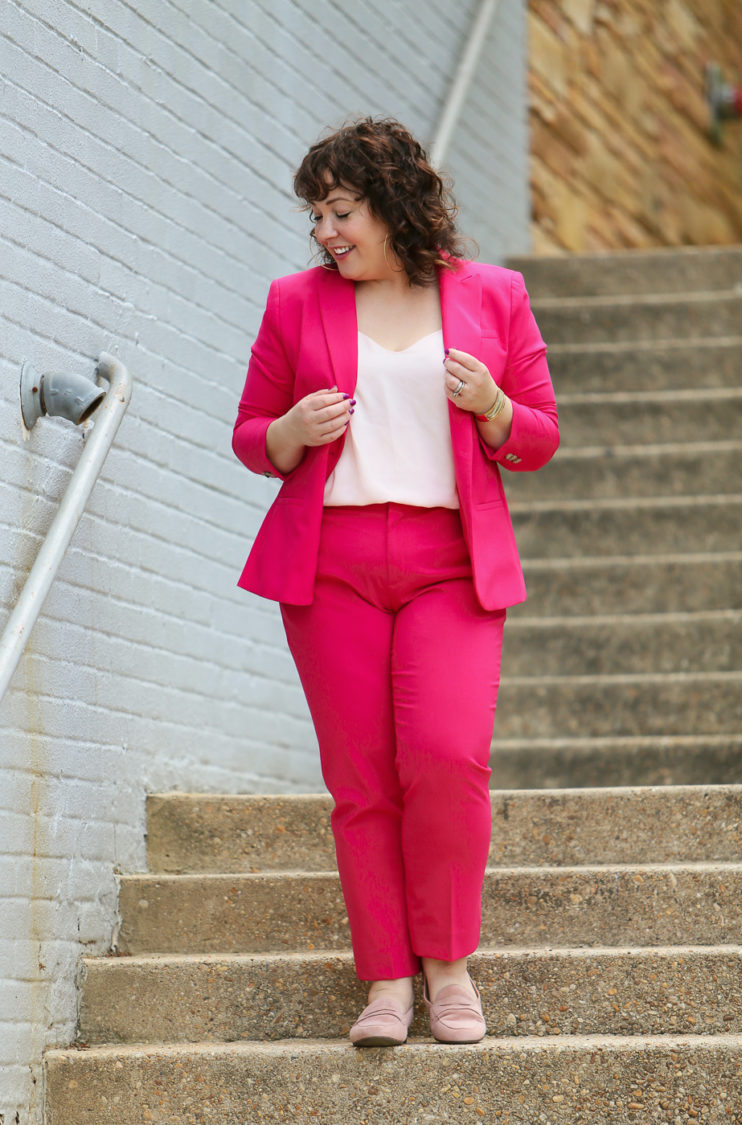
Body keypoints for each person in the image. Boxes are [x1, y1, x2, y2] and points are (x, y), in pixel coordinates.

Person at [232, 116, 558, 1047]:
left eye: (341, 212)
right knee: (362, 780)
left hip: (448, 563)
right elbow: (253, 435)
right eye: (317, 218)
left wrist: (493, 405)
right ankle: (385, 980)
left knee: (447, 759)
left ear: (393, 204)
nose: (327, 233)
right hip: (329, 563)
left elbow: (539, 433)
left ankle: (448, 969)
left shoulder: (493, 294)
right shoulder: (295, 301)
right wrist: (294, 426)